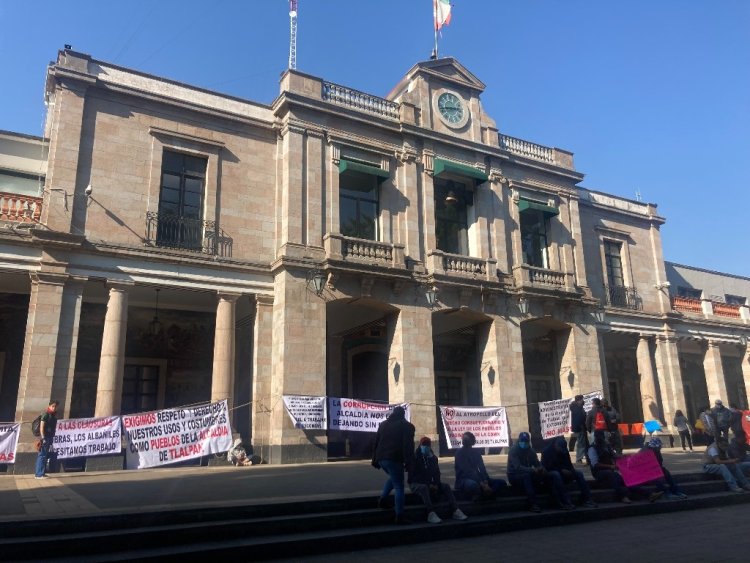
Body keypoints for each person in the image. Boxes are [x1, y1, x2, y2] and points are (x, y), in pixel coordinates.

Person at [408, 437, 467, 523]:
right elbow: (413, 476)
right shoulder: (414, 458)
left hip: (430, 483)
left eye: (427, 445)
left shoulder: (433, 458)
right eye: (424, 445)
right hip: (415, 483)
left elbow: (436, 473)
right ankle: (430, 513)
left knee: (446, 486)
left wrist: (435, 483)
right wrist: (429, 484)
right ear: (420, 445)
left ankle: (455, 510)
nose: (426, 447)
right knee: (424, 488)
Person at [372, 406, 415, 524]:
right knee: (399, 486)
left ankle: (383, 499)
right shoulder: (407, 426)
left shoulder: (383, 424)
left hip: (381, 458)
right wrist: (409, 462)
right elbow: (408, 445)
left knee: (394, 477)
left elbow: (376, 442)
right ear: (403, 414)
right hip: (394, 459)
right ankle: (399, 515)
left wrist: (374, 459)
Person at [541, 436, 597, 509]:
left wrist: (570, 470)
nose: (561, 451)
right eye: (560, 449)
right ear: (556, 445)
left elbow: (569, 464)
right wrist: (561, 470)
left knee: (579, 474)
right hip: (552, 474)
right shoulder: (546, 452)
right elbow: (547, 468)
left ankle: (587, 499)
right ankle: (565, 501)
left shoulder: (564, 451)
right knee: (556, 474)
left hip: (564, 472)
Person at [454, 431, 507, 501]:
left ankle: (487, 494)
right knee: (473, 485)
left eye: (467, 440)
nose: (465, 441)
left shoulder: (476, 453)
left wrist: (485, 481)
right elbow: (467, 472)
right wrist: (481, 483)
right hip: (464, 479)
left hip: (480, 479)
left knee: (502, 482)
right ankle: (486, 495)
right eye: (464, 440)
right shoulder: (459, 453)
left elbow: (482, 468)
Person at [506, 431, 550, 512]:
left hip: (528, 473)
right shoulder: (513, 451)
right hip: (514, 475)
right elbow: (518, 468)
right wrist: (533, 470)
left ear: (528, 441)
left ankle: (553, 499)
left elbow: (537, 463)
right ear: (519, 440)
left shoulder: (531, 451)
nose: (524, 443)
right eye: (522, 441)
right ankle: (532, 504)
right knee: (527, 477)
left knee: (546, 475)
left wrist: (541, 469)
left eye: (526, 441)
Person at [587, 429, 633, 503]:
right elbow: (595, 464)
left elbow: (615, 456)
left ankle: (648, 494)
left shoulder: (607, 446)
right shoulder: (592, 449)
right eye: (599, 437)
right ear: (595, 437)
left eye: (602, 436)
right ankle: (622, 496)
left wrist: (626, 457)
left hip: (610, 471)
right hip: (599, 473)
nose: (601, 438)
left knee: (625, 478)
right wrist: (610, 466)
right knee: (613, 475)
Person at [35, 399, 59, 479]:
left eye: (55, 407)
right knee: (42, 455)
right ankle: (39, 474)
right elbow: (42, 427)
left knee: (45, 456)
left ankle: (42, 472)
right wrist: (43, 438)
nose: (54, 408)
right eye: (53, 406)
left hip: (49, 437)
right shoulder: (46, 414)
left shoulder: (53, 416)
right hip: (44, 437)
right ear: (49, 406)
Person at [569, 395, 588, 464]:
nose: (583, 401)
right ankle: (579, 458)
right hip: (579, 428)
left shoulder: (578, 407)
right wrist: (580, 427)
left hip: (581, 428)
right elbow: (578, 418)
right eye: (582, 399)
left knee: (583, 443)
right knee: (581, 444)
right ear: (578, 400)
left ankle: (584, 456)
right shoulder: (576, 408)